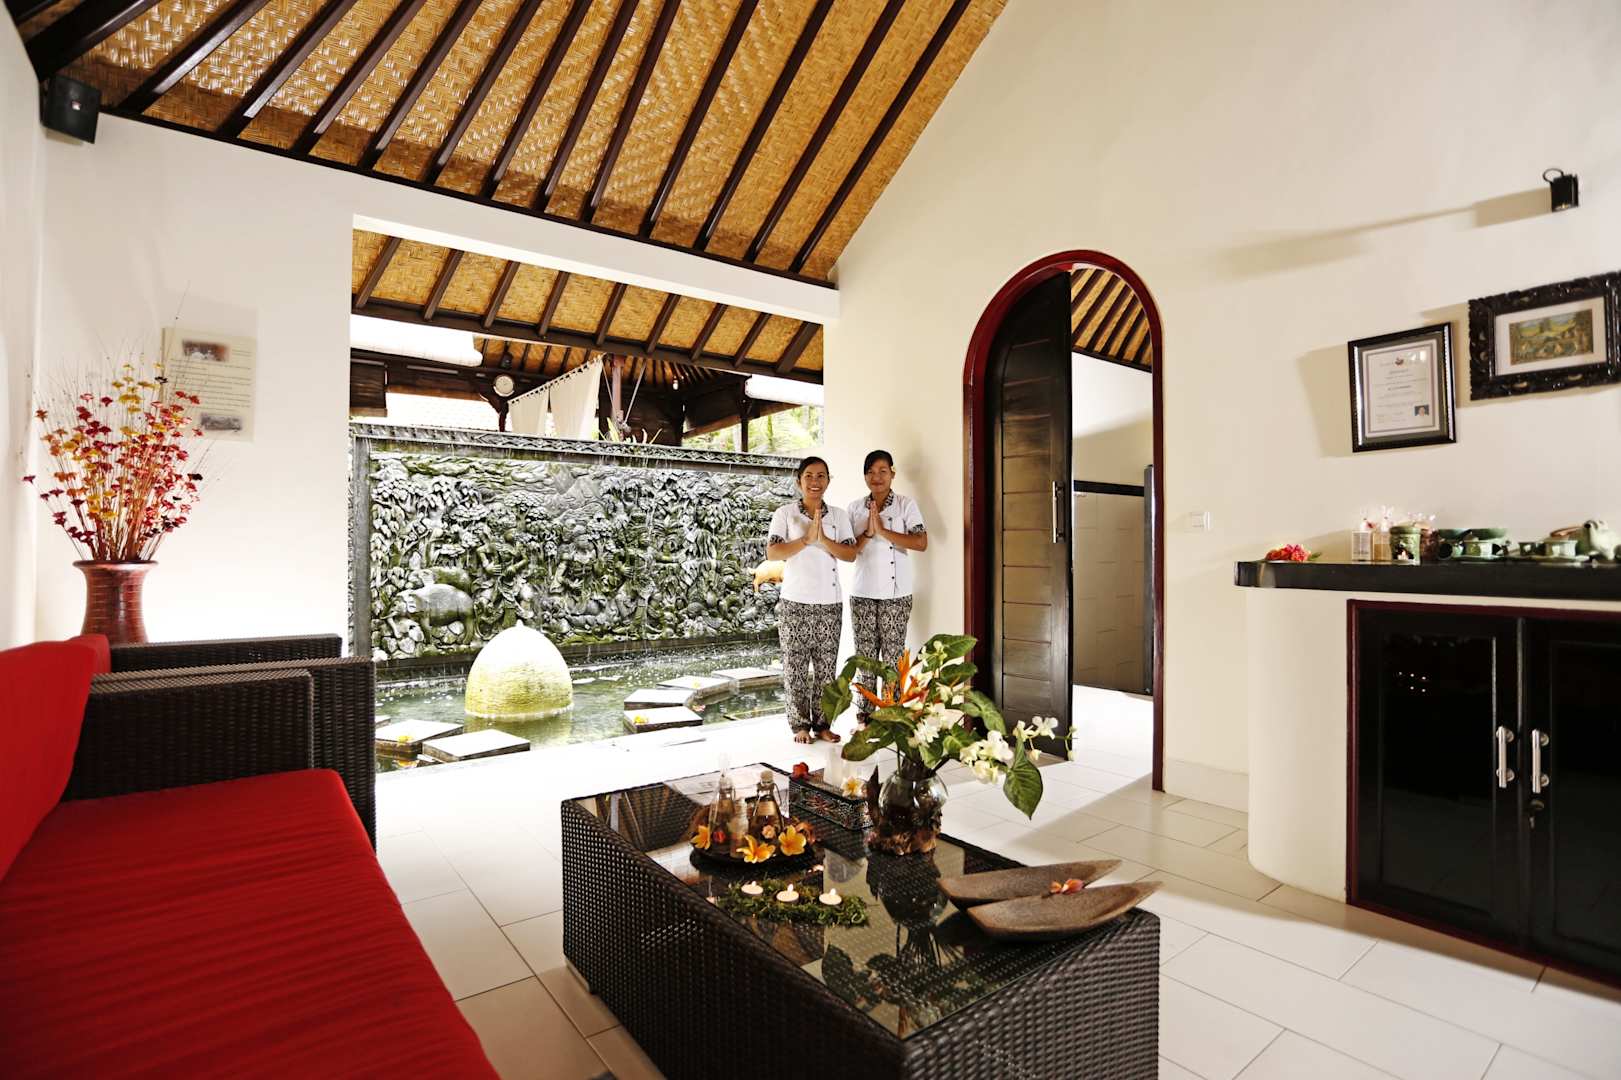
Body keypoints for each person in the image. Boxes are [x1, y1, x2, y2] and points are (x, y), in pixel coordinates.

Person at [766, 456, 857, 743]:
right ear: (799, 481)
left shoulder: (839, 516)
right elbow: (773, 553)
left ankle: (823, 724)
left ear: (828, 481)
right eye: (809, 476)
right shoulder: (784, 513)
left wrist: (823, 539)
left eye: (821, 476)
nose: (815, 481)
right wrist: (806, 539)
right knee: (794, 667)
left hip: (830, 601)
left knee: (826, 668)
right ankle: (800, 726)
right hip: (794, 601)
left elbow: (850, 554)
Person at [847, 450, 927, 722]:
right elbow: (850, 551)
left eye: (883, 471)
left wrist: (883, 531)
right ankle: (865, 716)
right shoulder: (854, 508)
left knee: (892, 657)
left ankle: (891, 715)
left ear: (893, 473)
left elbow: (921, 542)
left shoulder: (905, 505)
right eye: (871, 472)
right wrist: (869, 533)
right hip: (862, 592)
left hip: (897, 594)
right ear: (864, 476)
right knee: (866, 657)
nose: (877, 477)